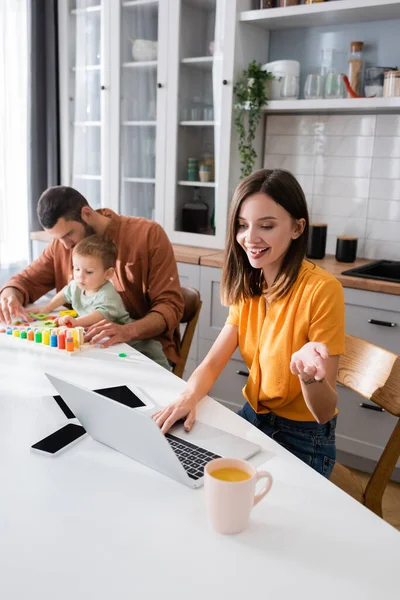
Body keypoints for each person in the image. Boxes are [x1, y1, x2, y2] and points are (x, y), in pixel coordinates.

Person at [153, 169, 345, 478]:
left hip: (304, 437)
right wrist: (186, 398)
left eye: (266, 226)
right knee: (189, 474)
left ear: (297, 228)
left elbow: (323, 412)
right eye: (242, 225)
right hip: (252, 417)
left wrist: (309, 376)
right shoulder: (250, 284)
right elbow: (214, 362)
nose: (250, 238)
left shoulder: (322, 291)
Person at [0, 186, 184, 367]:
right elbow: (25, 281)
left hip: (145, 351)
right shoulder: (63, 245)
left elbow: (170, 306)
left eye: (68, 234)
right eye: (58, 239)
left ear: (86, 213)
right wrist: (10, 296)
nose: (65, 246)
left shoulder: (147, 235)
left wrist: (127, 331)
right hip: (88, 351)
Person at [30, 234, 170, 370]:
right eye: (76, 269)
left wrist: (77, 322)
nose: (80, 276)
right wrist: (46, 309)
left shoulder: (107, 294)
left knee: (157, 374)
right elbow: (64, 293)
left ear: (108, 274)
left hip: (135, 346)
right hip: (108, 344)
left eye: (89, 272)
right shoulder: (77, 285)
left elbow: (101, 314)